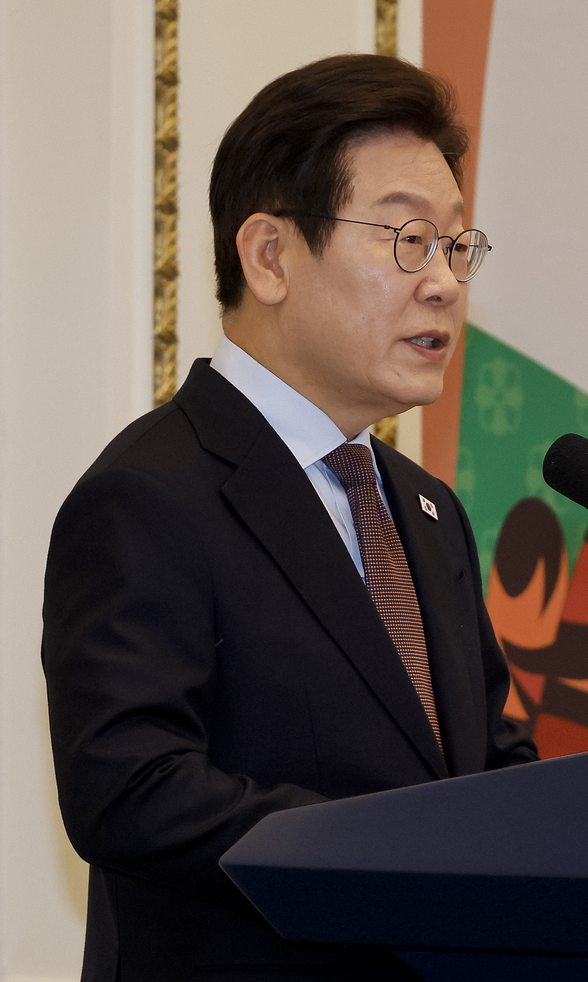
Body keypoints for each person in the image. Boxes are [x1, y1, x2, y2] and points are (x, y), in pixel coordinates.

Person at [42, 53, 537, 981]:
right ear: (269, 256)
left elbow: (485, 764)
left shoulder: (427, 510)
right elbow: (128, 786)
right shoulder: (151, 494)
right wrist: (397, 857)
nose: (443, 281)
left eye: (455, 244)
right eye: (407, 238)